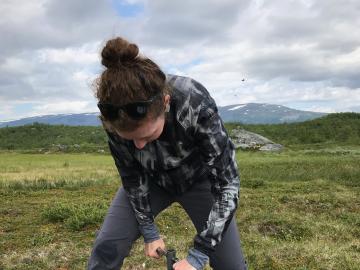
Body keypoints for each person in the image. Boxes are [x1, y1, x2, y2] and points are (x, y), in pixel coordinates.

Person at [87, 37, 248, 270]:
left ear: (165, 103)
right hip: (151, 182)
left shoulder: (193, 101)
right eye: (130, 140)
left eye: (147, 135)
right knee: (107, 246)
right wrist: (149, 232)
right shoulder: (113, 115)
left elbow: (227, 185)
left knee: (231, 265)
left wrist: (199, 255)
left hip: (200, 181)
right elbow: (131, 177)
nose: (139, 146)